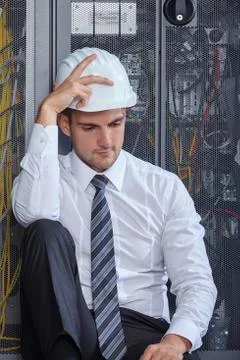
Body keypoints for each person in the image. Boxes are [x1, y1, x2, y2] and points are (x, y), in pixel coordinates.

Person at [12, 47, 217, 360]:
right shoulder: (48, 177)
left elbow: (196, 281)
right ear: (66, 126)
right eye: (90, 127)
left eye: (115, 124)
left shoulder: (162, 187)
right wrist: (49, 111)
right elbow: (34, 216)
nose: (106, 141)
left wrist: (175, 341)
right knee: (44, 230)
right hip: (69, 332)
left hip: (143, 328)